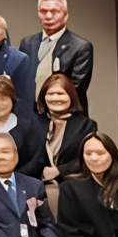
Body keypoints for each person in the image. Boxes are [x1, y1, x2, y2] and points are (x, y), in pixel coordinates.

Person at [20, 0, 95, 113]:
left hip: (67, 114)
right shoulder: (28, 43)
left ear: (66, 15)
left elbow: (76, 88)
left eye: (54, 12)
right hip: (33, 114)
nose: (48, 16)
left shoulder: (80, 47)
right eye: (43, 12)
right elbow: (22, 80)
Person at [37, 72, 97, 218]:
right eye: (50, 93)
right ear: (43, 97)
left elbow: (87, 160)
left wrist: (58, 170)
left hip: (73, 184)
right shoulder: (35, 122)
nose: (55, 98)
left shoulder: (86, 125)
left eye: (60, 93)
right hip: (38, 183)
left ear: (70, 96)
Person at [0, 76, 44, 178]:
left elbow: (36, 162)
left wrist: (13, 180)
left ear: (12, 99)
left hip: (18, 182)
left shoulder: (26, 126)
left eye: (3, 99)